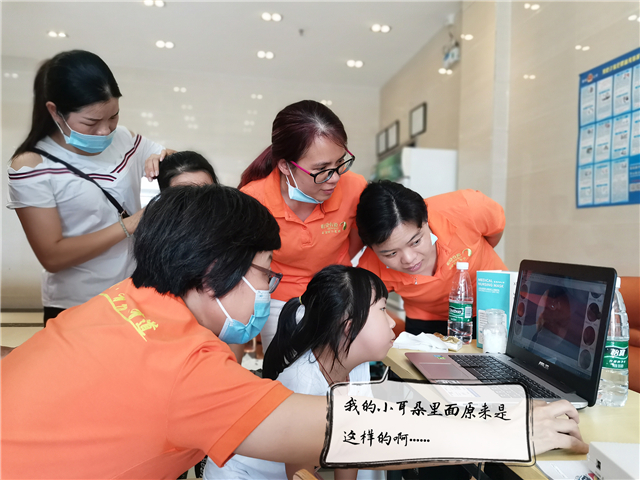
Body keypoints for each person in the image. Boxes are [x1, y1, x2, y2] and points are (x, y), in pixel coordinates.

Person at [1, 186, 588, 479]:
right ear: (215, 272)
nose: (270, 290)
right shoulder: (183, 365)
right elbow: (343, 430)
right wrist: (510, 426)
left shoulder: (116, 304)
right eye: (264, 274)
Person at [7, 49, 172, 325]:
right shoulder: (32, 165)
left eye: (113, 117)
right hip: (77, 305)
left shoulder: (124, 139)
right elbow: (52, 256)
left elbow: (174, 159)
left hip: (133, 295)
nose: (105, 130)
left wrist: (164, 158)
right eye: (91, 122)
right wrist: (131, 224)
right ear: (55, 112)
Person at [204, 265, 395, 480]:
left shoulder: (358, 365)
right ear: (349, 327)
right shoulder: (303, 382)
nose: (392, 322)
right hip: (243, 474)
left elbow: (350, 441)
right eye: (382, 309)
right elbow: (299, 475)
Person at [239, 100, 368, 351]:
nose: (334, 178)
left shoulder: (354, 188)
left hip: (337, 292)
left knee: (342, 366)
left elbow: (356, 242)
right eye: (321, 169)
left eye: (340, 163)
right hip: (279, 299)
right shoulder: (253, 201)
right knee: (288, 367)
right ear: (286, 165)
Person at [356, 181, 507, 337]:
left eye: (416, 242)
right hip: (426, 318)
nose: (409, 259)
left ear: (426, 220)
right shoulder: (370, 267)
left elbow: (494, 232)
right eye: (391, 254)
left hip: (493, 306)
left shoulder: (468, 207)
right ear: (371, 249)